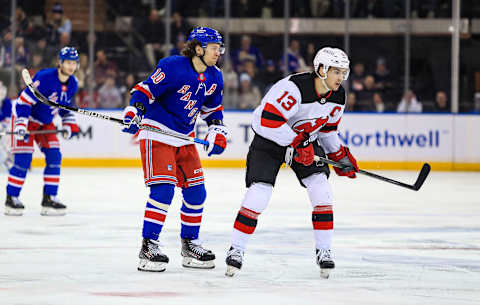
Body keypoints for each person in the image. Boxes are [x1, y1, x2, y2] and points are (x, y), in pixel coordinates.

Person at [224, 47, 359, 278]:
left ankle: (324, 250)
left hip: (304, 141)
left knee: (322, 189)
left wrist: (339, 156)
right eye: (335, 71)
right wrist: (297, 144)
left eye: (343, 72)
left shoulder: (338, 96)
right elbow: (267, 122)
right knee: (259, 193)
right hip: (270, 141)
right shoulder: (293, 88)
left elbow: (327, 131)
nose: (340, 77)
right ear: (321, 69)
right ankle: (236, 249)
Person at [121, 27, 228, 272]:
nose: (218, 53)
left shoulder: (215, 76)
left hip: (185, 138)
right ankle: (148, 247)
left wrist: (217, 130)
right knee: (163, 190)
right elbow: (145, 90)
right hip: (157, 132)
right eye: (213, 48)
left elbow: (212, 110)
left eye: (219, 48)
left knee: (196, 192)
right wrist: (134, 110)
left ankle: (189, 244)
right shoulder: (172, 66)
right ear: (198, 48)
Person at [4, 47, 80, 216]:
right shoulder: (45, 78)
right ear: (60, 62)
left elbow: (65, 108)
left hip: (45, 123)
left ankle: (49, 199)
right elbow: (23, 101)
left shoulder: (73, 83)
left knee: (55, 156)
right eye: (68, 62)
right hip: (27, 119)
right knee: (23, 159)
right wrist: (21, 125)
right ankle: (11, 199)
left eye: (74, 63)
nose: (71, 66)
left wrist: (69, 125)